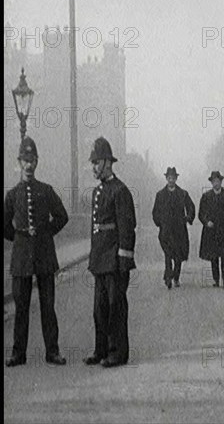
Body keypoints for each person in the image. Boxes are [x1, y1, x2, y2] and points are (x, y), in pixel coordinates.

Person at [4, 136, 69, 367]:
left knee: (47, 305)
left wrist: (44, 234)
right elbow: (4, 226)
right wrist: (20, 238)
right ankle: (18, 354)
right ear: (19, 163)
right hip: (21, 257)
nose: (29, 165)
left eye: (32, 160)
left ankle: (53, 352)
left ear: (37, 162)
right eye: (25, 160)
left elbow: (62, 216)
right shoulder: (11, 195)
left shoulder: (46, 190)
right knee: (21, 307)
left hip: (44, 254)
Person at [83, 137, 136, 368]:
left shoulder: (120, 190)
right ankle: (101, 349)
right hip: (100, 259)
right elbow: (96, 230)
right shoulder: (97, 192)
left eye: (96, 162)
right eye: (92, 163)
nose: (93, 167)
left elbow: (127, 227)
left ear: (107, 162)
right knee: (99, 309)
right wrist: (93, 258)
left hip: (115, 259)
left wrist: (124, 260)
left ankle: (118, 353)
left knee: (116, 307)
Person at [152, 167, 195, 289]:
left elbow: (191, 207)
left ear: (176, 179)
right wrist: (159, 222)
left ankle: (175, 277)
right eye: (169, 178)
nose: (171, 180)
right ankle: (168, 277)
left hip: (179, 230)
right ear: (166, 178)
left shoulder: (183, 194)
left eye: (173, 178)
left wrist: (188, 217)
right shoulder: (160, 195)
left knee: (178, 256)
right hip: (165, 231)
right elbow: (155, 211)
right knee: (168, 254)